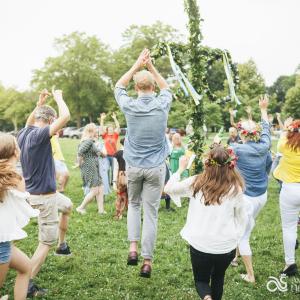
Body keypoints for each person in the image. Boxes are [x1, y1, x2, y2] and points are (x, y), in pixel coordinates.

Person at [114, 48, 172, 278]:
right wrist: (151, 68)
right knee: (151, 214)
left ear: (136, 88)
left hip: (134, 166)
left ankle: (132, 249)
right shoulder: (162, 103)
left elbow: (119, 85)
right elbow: (165, 87)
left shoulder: (129, 105)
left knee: (134, 205)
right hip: (156, 167)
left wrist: (137, 65)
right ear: (153, 88)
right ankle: (147, 261)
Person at [164, 146, 247, 300]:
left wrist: (180, 169)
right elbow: (242, 218)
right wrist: (237, 237)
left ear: (207, 163)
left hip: (200, 244)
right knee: (218, 277)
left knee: (201, 280)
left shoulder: (196, 182)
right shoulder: (235, 188)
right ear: (230, 165)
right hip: (226, 246)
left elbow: (168, 188)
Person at [17, 88, 73, 297]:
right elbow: (66, 117)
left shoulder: (24, 133)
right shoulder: (41, 135)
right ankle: (28, 283)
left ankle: (63, 245)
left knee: (67, 206)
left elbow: (30, 120)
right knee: (45, 242)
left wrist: (39, 104)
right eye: (54, 122)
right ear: (50, 120)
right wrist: (59, 97)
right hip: (44, 197)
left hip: (38, 194)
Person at [230, 96, 272, 283]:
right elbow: (267, 130)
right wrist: (263, 109)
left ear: (243, 134)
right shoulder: (265, 146)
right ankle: (235, 257)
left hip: (246, 198)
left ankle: (251, 275)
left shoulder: (237, 149)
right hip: (262, 196)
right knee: (244, 225)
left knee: (242, 235)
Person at [0, 133, 39, 300]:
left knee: (26, 267)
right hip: (1, 244)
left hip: (4, 241)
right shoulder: (15, 177)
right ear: (15, 151)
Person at [273, 120, 300, 276]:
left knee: (289, 228)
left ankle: (290, 263)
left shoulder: (285, 145)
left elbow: (283, 136)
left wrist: (286, 127)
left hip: (290, 189)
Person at [76, 123, 106, 215]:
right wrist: (79, 163)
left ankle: (101, 210)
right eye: (95, 131)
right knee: (95, 190)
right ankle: (81, 207)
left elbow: (96, 152)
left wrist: (100, 153)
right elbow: (80, 152)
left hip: (94, 167)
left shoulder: (90, 141)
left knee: (100, 187)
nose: (97, 133)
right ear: (90, 131)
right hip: (90, 168)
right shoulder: (88, 141)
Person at [99, 112, 120, 185]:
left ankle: (112, 182)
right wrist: (102, 119)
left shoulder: (115, 135)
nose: (110, 130)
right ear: (107, 130)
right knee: (107, 169)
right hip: (106, 156)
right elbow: (101, 128)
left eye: (112, 129)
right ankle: (107, 182)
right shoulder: (105, 135)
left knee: (113, 170)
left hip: (114, 155)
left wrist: (115, 118)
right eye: (109, 129)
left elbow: (118, 127)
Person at [113, 138, 128, 220]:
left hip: (121, 175)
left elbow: (115, 168)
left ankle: (118, 213)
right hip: (130, 175)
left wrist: (114, 181)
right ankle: (127, 211)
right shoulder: (132, 153)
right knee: (128, 196)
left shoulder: (117, 154)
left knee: (120, 195)